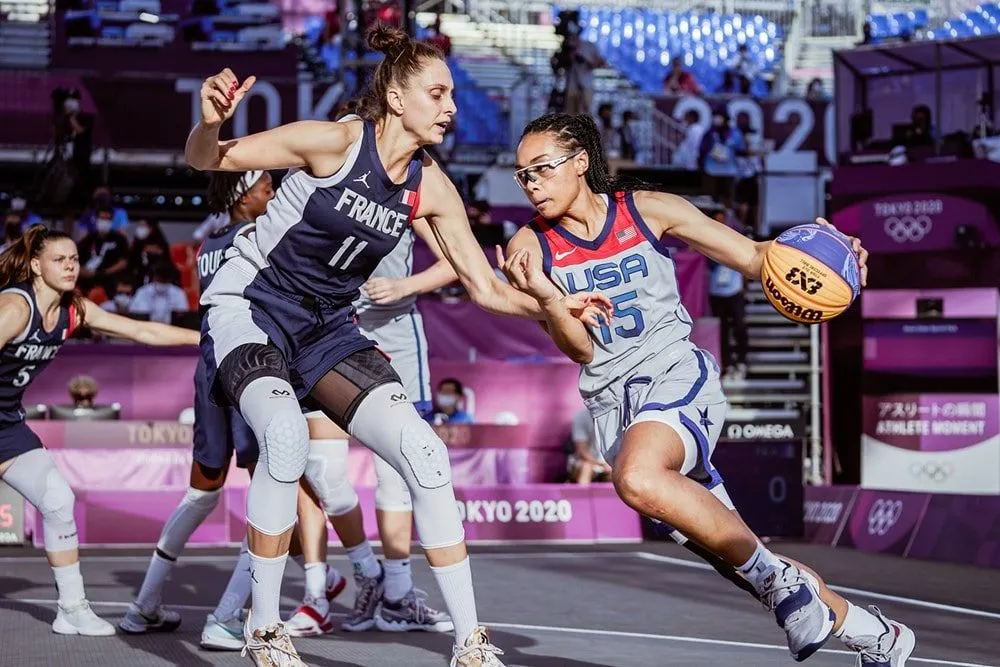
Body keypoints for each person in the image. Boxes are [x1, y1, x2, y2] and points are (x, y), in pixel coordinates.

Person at [184, 24, 609, 666]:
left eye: (452, 95)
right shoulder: (332, 142)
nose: (452, 107)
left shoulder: (430, 186)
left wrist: (554, 303)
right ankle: (264, 631)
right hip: (252, 305)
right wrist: (211, 121)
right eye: (438, 94)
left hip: (327, 327)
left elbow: (484, 288)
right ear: (396, 99)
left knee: (426, 453)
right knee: (286, 439)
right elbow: (207, 159)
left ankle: (469, 643)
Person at [498, 112, 915, 666]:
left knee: (638, 479)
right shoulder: (530, 246)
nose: (531, 183)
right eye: (522, 174)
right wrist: (552, 302)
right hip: (613, 407)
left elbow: (755, 257)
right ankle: (877, 634)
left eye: (542, 168)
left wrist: (830, 252)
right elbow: (578, 349)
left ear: (579, 162)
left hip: (673, 373)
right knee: (747, 558)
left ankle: (788, 587)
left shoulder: (648, 209)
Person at [0, 225, 199, 637]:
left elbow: (142, 331)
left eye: (74, 259)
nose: (70, 266)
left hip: (7, 424)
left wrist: (205, 339)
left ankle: (72, 610)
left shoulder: (75, 310)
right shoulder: (15, 308)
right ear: (35, 266)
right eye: (59, 260)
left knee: (57, 500)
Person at [287, 189, 460, 637]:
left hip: (396, 334)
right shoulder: (322, 185)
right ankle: (367, 572)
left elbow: (456, 261)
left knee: (396, 469)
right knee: (320, 471)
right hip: (330, 334)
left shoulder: (409, 190)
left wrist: (404, 286)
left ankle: (397, 595)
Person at [119, 170, 274, 649]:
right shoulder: (260, 236)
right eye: (266, 187)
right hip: (249, 366)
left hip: (210, 369)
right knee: (277, 491)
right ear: (242, 196)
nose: (272, 193)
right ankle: (226, 618)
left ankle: (144, 604)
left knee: (203, 492)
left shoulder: (209, 244)